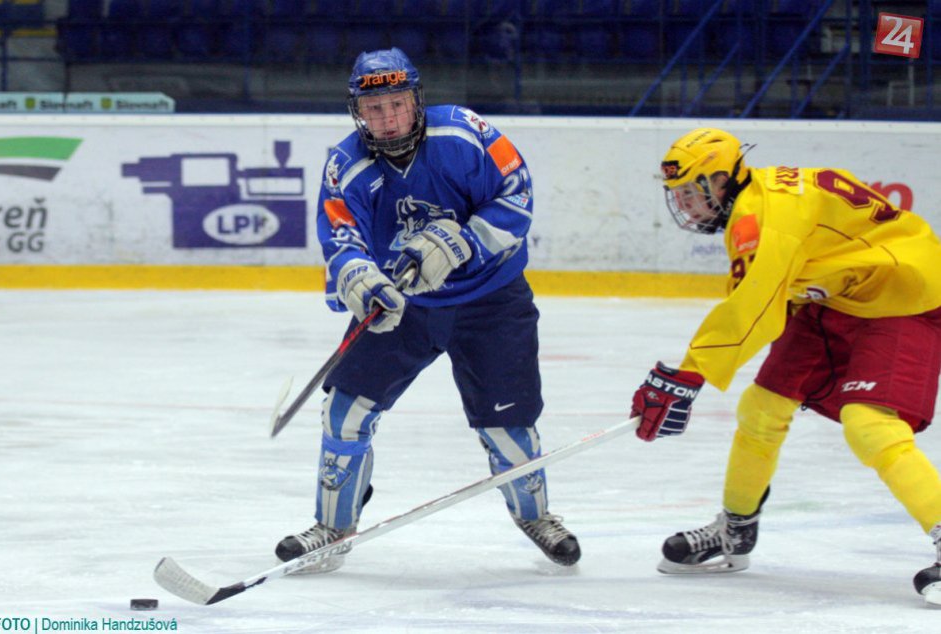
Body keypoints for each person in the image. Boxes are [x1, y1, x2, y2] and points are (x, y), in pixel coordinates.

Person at [274, 48, 580, 572]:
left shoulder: (465, 132)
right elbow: (343, 240)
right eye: (374, 109)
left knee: (509, 427)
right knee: (345, 414)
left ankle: (535, 515)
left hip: (491, 300)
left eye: (396, 104)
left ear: (417, 101)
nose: (387, 118)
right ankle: (332, 526)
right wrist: (363, 281)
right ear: (358, 113)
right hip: (407, 305)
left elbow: (516, 195)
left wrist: (460, 243)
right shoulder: (346, 165)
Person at [629, 127, 941, 601]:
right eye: (679, 195)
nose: (687, 206)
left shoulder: (761, 218)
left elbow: (753, 306)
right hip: (843, 293)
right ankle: (735, 528)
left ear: (723, 178)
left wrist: (689, 374)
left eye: (694, 192)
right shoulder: (756, 198)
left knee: (870, 425)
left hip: (905, 294)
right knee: (761, 408)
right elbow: (768, 296)